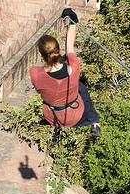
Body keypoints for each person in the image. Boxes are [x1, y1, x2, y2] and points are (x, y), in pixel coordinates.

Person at [29, 8, 101, 137]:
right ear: (58, 49)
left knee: (49, 91)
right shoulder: (73, 68)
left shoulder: (34, 73)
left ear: (40, 54)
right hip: (74, 115)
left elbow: (47, 84)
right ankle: (94, 120)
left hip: (52, 116)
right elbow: (70, 47)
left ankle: (46, 120)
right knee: (81, 87)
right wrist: (73, 21)